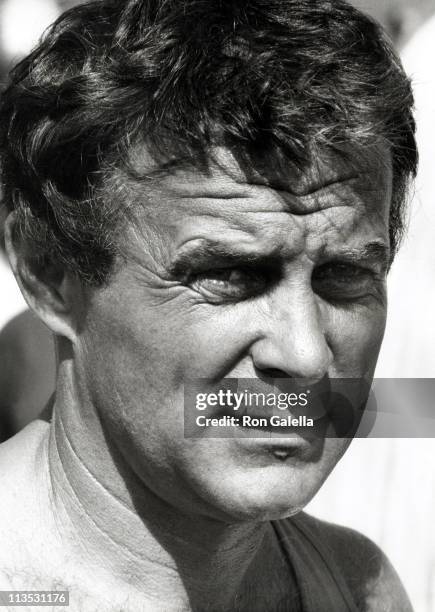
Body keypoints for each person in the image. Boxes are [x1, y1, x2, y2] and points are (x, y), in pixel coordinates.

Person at [0, 0, 417, 610]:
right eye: (229, 276)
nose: (303, 354)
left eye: (345, 276)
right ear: (50, 276)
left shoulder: (359, 588)